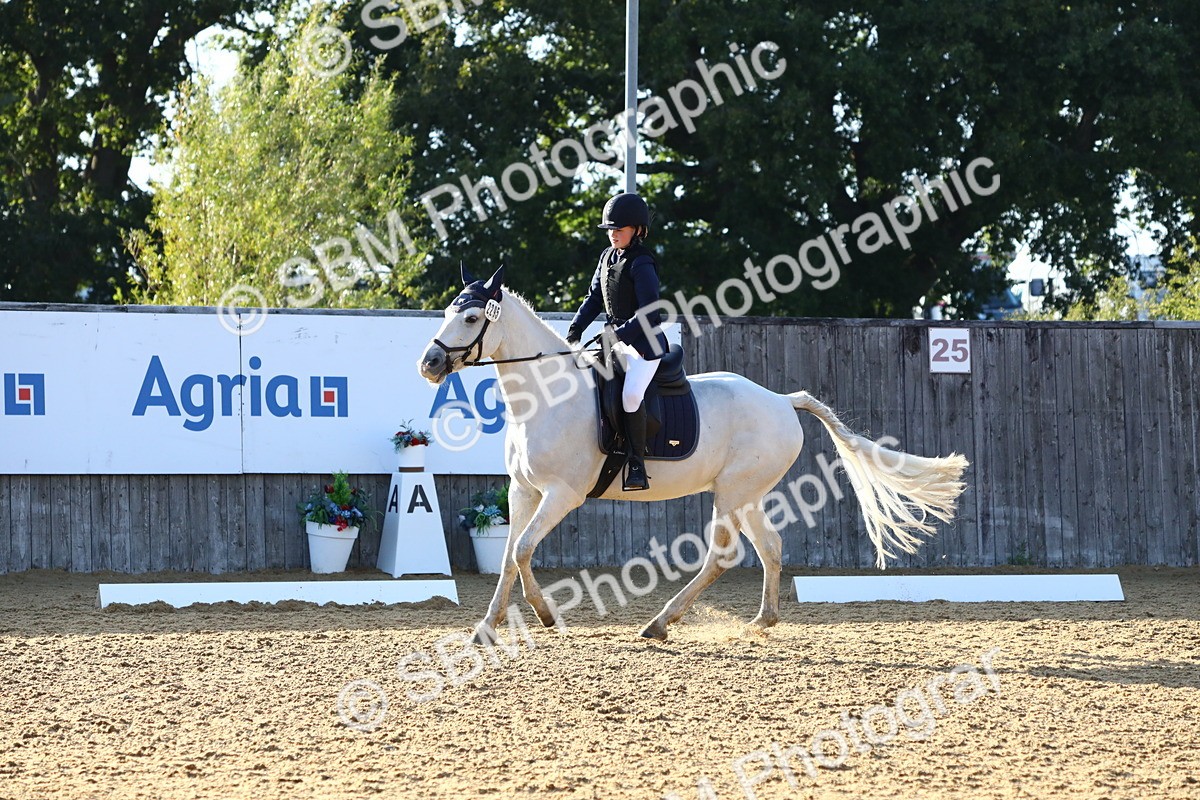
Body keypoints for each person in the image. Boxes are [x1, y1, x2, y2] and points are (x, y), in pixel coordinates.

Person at [567, 192, 668, 491]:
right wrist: (575, 330)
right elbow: (594, 298)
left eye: (619, 229)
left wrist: (619, 334)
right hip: (615, 342)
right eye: (610, 229)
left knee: (630, 396)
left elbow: (651, 313)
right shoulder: (606, 257)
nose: (613, 234)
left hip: (644, 346)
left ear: (637, 230)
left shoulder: (642, 263)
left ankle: (637, 463)